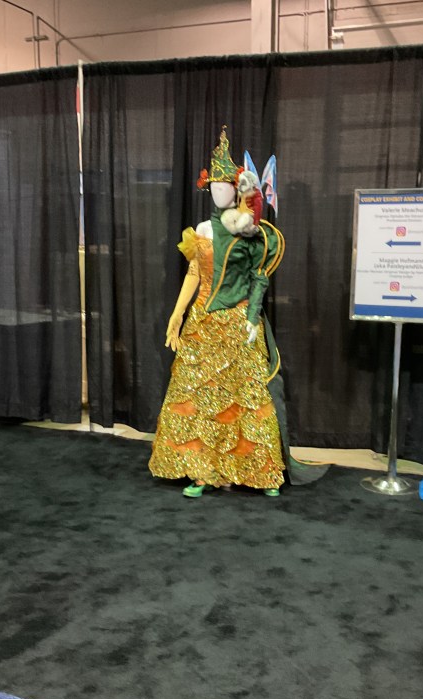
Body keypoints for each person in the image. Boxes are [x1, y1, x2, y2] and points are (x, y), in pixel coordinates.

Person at [149, 127, 324, 497]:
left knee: (249, 398)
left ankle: (260, 472)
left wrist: (251, 317)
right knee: (199, 399)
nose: (218, 192)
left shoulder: (252, 232)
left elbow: (260, 279)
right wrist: (177, 314)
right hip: (203, 323)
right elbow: (195, 274)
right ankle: (202, 471)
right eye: (213, 186)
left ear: (237, 190)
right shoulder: (200, 230)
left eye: (224, 185)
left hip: (240, 323)